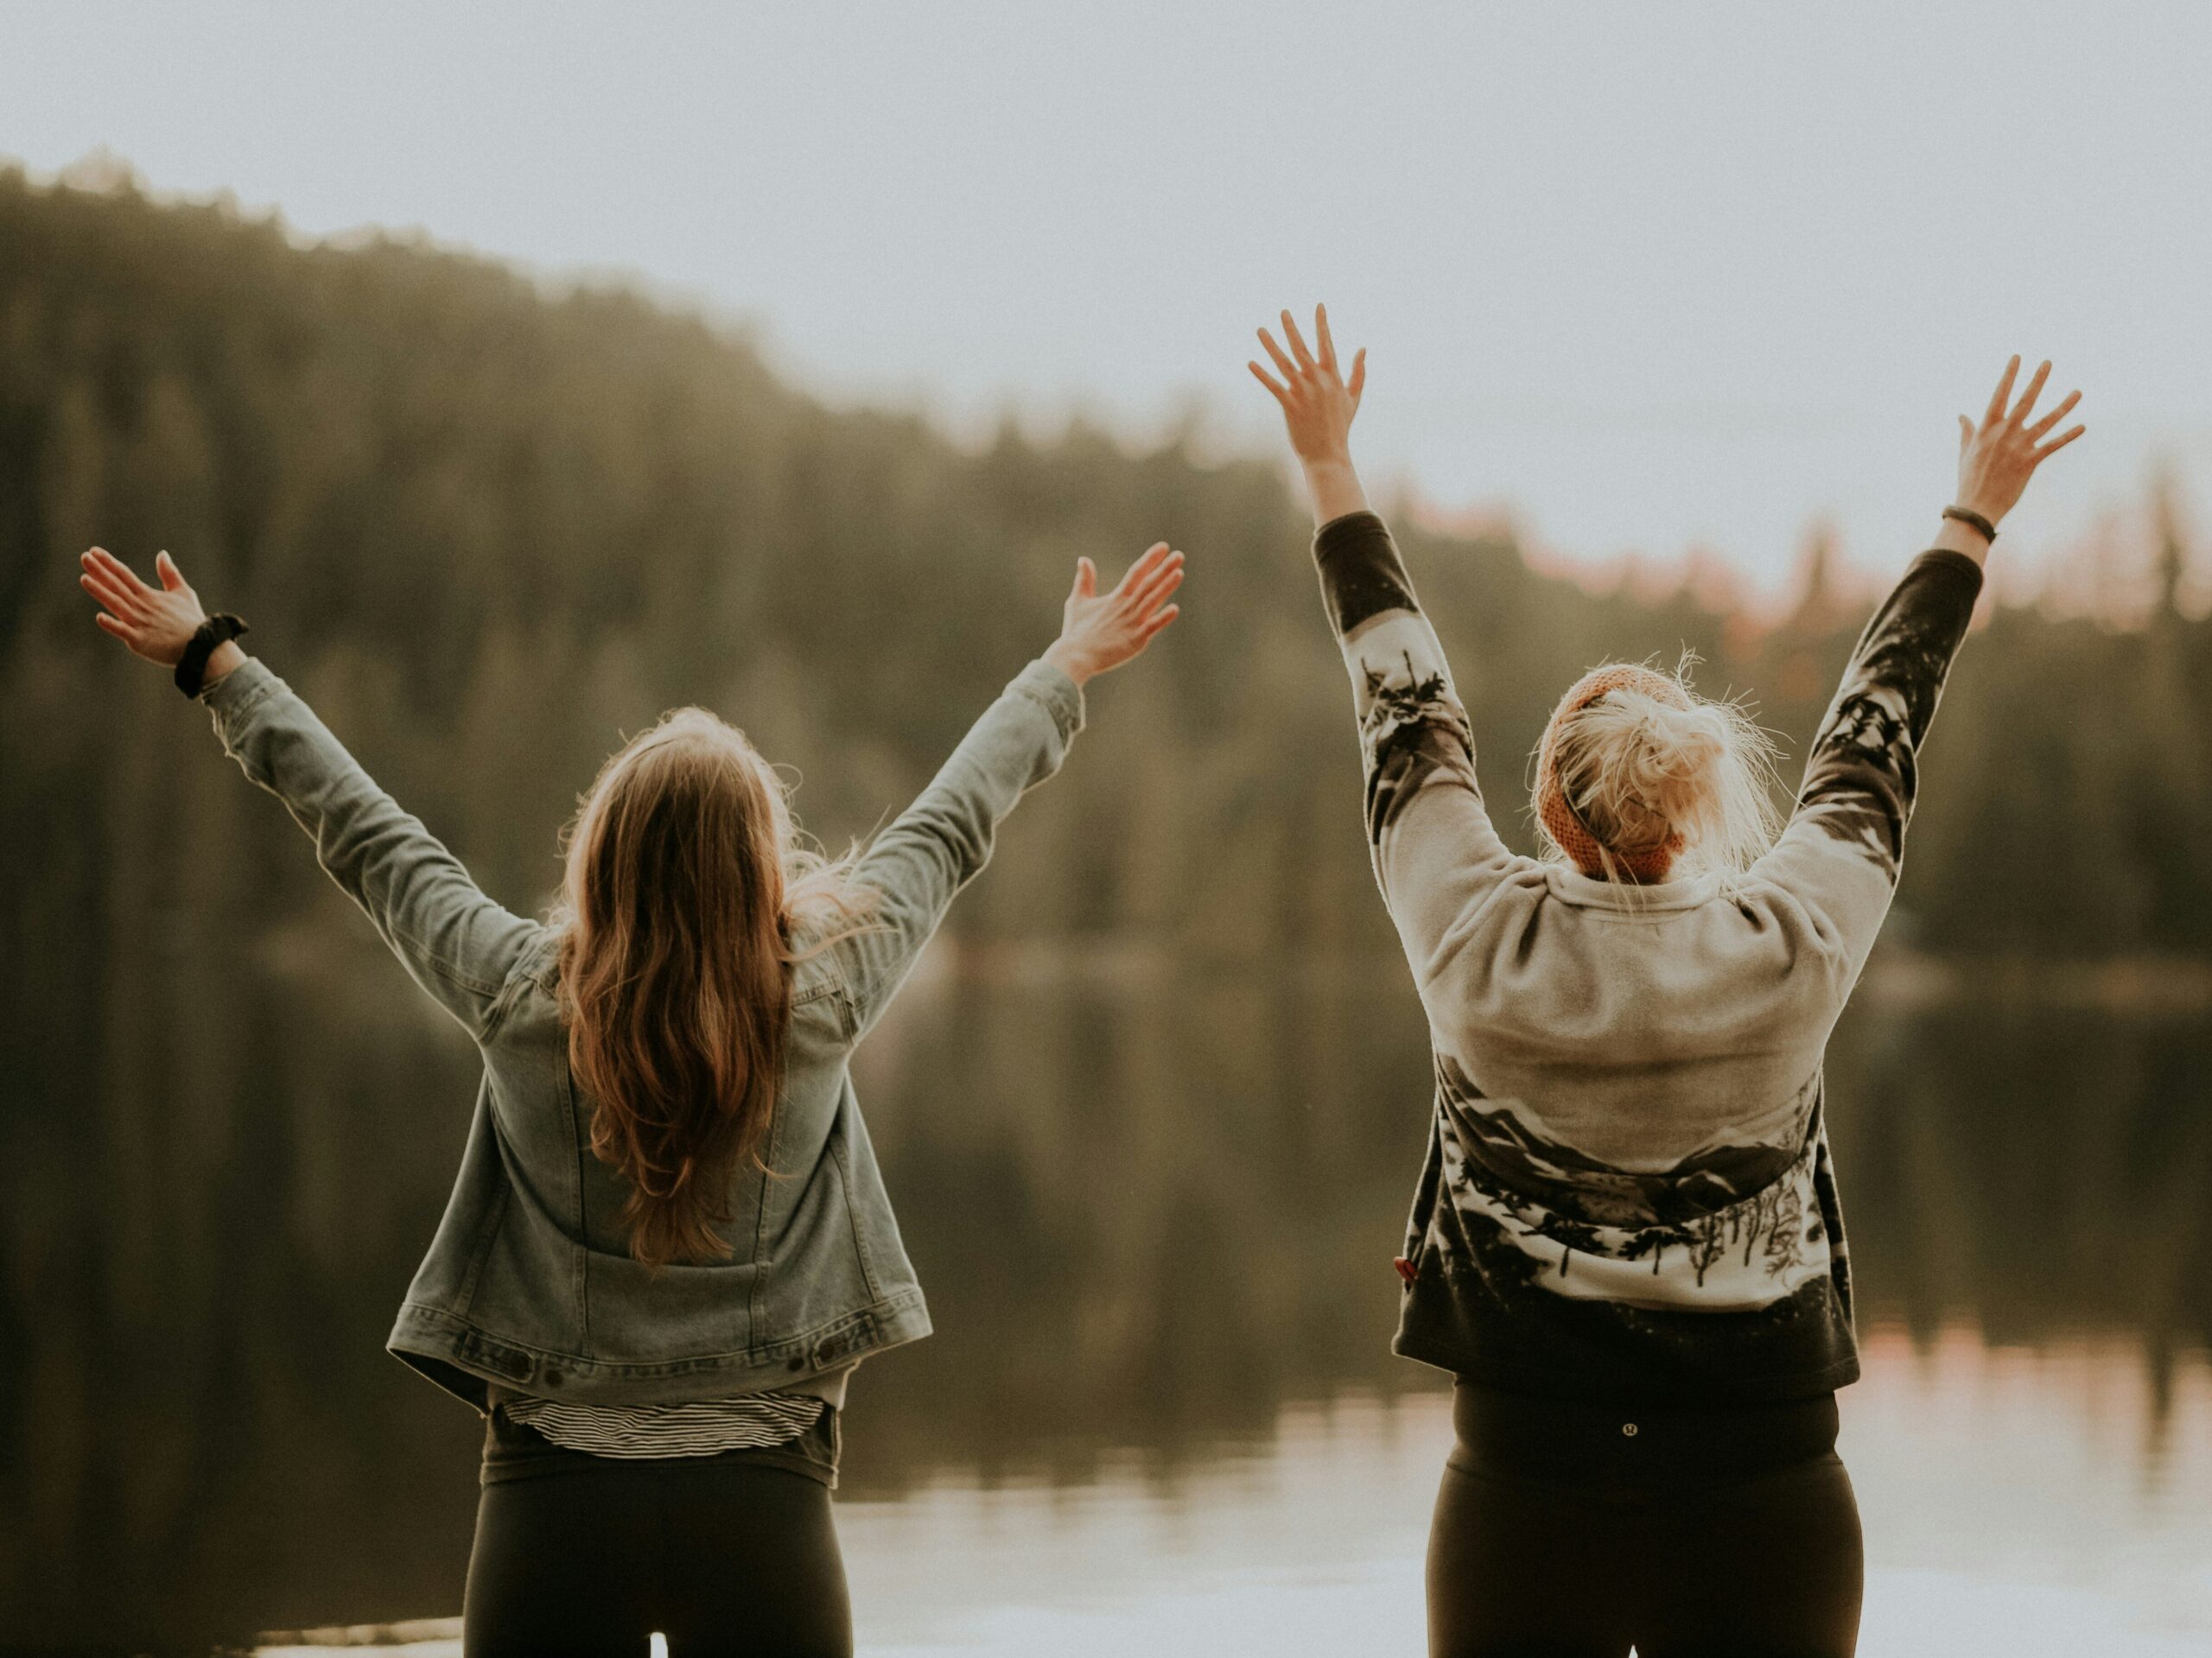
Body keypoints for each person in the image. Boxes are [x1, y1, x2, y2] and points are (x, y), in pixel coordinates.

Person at [76, 537, 1184, 1655]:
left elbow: (370, 836)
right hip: (766, 1512)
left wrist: (217, 662)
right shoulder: (822, 996)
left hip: (552, 1509)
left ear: (599, 856)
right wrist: (1064, 668)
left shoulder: (518, 997)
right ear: (761, 866)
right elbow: (950, 823)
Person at [1251, 308, 2082, 1658]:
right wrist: (1970, 519)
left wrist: (1332, 472)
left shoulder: (1472, 936)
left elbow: (1402, 704)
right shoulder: (1789, 944)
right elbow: (1878, 733)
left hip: (1525, 1488)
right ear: (1693, 811)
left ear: (1554, 818)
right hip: (1767, 1493)